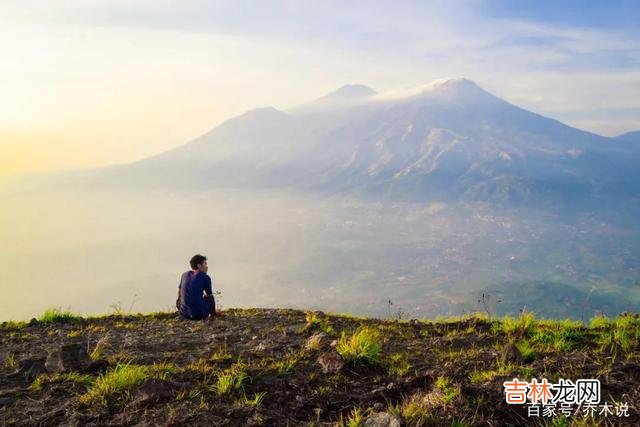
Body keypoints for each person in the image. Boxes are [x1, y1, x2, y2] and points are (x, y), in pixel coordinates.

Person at [176, 254, 216, 320]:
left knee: (182, 296)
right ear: (199, 266)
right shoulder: (205, 277)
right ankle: (214, 315)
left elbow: (179, 293)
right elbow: (209, 295)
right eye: (205, 264)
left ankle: (184, 311)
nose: (207, 267)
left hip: (183, 314)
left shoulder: (184, 275)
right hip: (199, 315)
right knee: (209, 297)